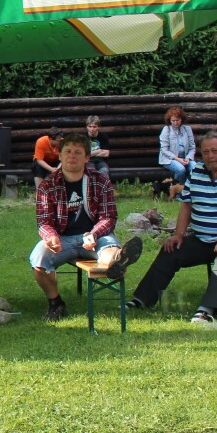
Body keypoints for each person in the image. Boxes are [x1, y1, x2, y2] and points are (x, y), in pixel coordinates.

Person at [125, 131, 217, 325]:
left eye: (215, 151)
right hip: (201, 239)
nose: (210, 156)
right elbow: (186, 205)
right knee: (170, 250)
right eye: (206, 152)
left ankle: (207, 311)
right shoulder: (197, 171)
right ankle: (142, 300)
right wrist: (178, 234)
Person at [31, 133, 143, 321]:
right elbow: (44, 222)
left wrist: (94, 233)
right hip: (63, 238)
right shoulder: (47, 186)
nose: (72, 156)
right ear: (60, 156)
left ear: (87, 158)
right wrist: (51, 237)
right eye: (68, 151)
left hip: (95, 236)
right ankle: (56, 303)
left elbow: (108, 217)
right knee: (38, 258)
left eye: (78, 152)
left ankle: (118, 261)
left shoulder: (100, 180)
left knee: (109, 252)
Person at [158, 106, 195, 185]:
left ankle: (192, 188)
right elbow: (164, 150)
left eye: (177, 120)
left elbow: (192, 147)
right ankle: (178, 189)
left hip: (185, 159)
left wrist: (188, 158)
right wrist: (178, 159)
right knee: (181, 169)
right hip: (169, 160)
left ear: (181, 119)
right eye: (173, 120)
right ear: (170, 120)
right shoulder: (166, 129)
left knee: (195, 167)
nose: (175, 123)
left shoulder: (187, 129)